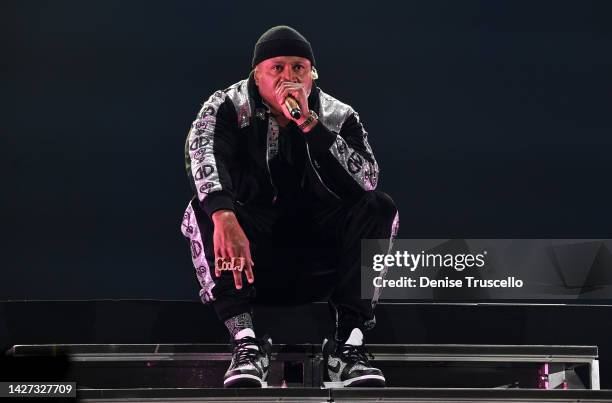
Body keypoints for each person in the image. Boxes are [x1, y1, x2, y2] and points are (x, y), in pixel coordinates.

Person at [181, 25, 399, 388]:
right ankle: (246, 345)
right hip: (254, 257)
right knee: (204, 208)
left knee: (379, 206)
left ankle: (347, 349)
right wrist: (224, 215)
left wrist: (310, 125)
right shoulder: (226, 105)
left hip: (321, 257)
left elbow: (368, 179)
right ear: (257, 74)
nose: (288, 77)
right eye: (277, 67)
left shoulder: (337, 115)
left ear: (312, 73)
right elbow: (202, 156)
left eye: (298, 67)